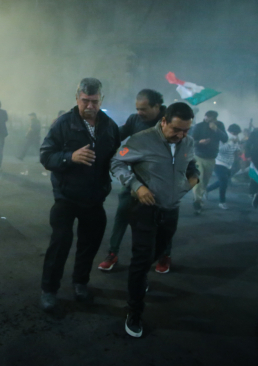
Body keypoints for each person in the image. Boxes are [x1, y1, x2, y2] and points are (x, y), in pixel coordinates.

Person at [110, 102, 199, 338]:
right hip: (144, 210)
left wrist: (192, 181)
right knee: (140, 261)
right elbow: (117, 162)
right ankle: (134, 311)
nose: (181, 136)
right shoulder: (142, 140)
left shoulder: (188, 142)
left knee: (156, 253)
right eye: (176, 130)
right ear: (163, 122)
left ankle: (139, 282)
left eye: (186, 130)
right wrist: (137, 186)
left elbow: (191, 166)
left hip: (171, 210)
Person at [39, 78, 120, 312]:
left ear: (101, 100)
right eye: (85, 101)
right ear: (77, 99)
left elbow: (116, 157)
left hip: (95, 199)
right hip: (66, 197)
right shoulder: (63, 124)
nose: (90, 106)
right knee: (60, 245)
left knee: (89, 246)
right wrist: (69, 157)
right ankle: (49, 290)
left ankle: (80, 283)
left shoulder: (110, 126)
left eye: (94, 101)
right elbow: (46, 156)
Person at [98, 89, 166, 272]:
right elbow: (118, 134)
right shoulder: (135, 120)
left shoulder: (169, 122)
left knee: (160, 221)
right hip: (135, 177)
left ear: (156, 106)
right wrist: (100, 138)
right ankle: (112, 253)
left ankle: (164, 254)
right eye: (137, 108)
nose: (139, 112)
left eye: (143, 109)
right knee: (122, 213)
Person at [190, 110, 228, 214]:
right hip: (198, 156)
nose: (208, 120)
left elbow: (225, 138)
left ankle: (199, 199)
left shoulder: (219, 125)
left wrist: (217, 130)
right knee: (199, 180)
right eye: (207, 117)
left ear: (215, 119)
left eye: (211, 118)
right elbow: (191, 141)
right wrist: (199, 142)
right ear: (205, 116)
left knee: (205, 182)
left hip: (211, 158)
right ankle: (197, 202)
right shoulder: (199, 126)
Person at [206, 123, 242, 209]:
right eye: (235, 133)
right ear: (231, 132)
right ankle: (222, 202)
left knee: (223, 181)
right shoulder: (223, 137)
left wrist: (238, 149)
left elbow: (236, 148)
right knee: (224, 183)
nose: (236, 135)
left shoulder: (235, 138)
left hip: (229, 164)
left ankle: (206, 190)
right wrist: (230, 143)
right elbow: (221, 150)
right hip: (219, 162)